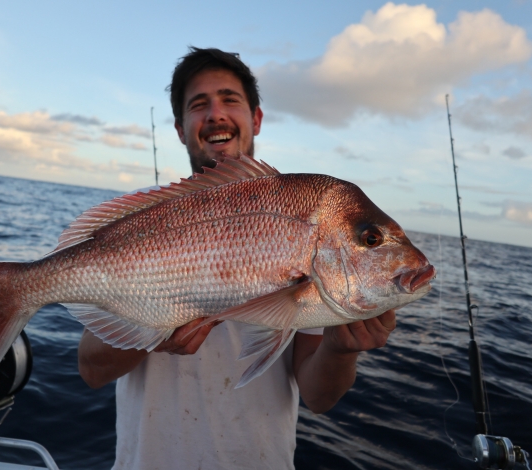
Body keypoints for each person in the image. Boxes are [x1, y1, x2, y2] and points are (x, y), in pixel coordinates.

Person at [78, 47, 396, 470]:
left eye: (230, 99)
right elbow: (91, 371)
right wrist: (150, 334)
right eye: (198, 104)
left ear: (256, 118)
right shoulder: (143, 226)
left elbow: (320, 398)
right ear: (180, 128)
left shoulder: (309, 228)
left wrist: (340, 348)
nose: (215, 114)